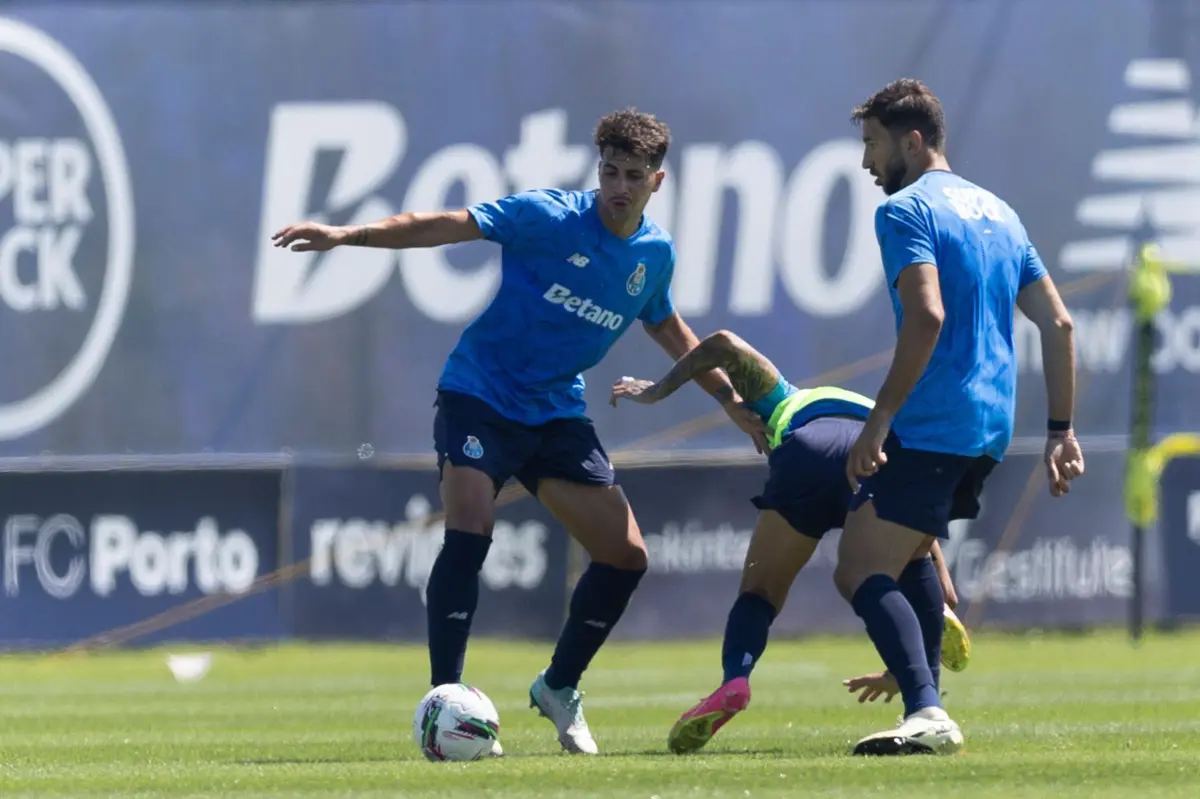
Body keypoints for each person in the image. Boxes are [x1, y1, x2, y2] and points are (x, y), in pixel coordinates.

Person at [271, 108, 767, 757]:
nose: (618, 186)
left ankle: (559, 685)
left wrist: (730, 400)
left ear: (657, 180)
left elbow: (669, 327)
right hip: (479, 392)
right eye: (609, 171)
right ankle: (445, 696)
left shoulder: (653, 254)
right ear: (598, 168)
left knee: (626, 556)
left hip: (556, 411)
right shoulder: (549, 216)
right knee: (471, 523)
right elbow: (447, 225)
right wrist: (348, 234)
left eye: (632, 175)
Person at [835, 78, 1084, 755]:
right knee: (908, 551)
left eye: (872, 145)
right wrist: (1060, 430)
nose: (865, 163)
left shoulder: (906, 211)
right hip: (989, 429)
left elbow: (928, 314)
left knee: (857, 568)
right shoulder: (1002, 213)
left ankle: (928, 710)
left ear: (911, 143)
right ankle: (924, 698)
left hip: (931, 421)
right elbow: (1058, 324)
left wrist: (879, 419)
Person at [609, 329, 972, 755]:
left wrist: (657, 392)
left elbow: (723, 343)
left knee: (761, 592)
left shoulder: (784, 397)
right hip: (886, 461)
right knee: (908, 567)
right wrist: (938, 591)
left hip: (809, 454)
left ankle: (735, 681)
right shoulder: (878, 414)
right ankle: (923, 699)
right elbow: (934, 568)